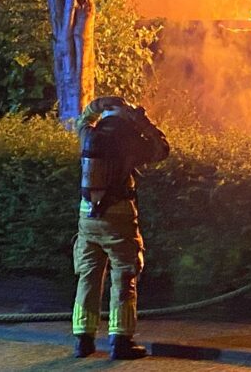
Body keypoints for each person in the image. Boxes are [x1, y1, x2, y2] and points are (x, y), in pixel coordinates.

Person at [71, 95, 170, 360]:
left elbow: (82, 119)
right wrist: (143, 121)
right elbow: (162, 149)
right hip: (118, 217)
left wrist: (96, 105)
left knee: (88, 275)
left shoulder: (88, 134)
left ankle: (83, 341)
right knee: (124, 274)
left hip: (86, 217)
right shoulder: (128, 140)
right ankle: (121, 342)